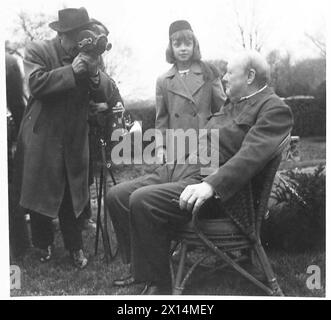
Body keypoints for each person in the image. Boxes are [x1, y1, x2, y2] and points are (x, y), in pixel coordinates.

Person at [107, 50, 293, 294]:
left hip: (212, 188)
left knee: (142, 200)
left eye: (229, 72)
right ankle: (142, 268)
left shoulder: (273, 108)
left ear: (250, 76)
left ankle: (158, 284)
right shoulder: (233, 104)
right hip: (183, 167)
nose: (224, 77)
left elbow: (251, 156)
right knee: (117, 195)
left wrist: (212, 185)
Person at [16, 7, 115, 269]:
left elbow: (106, 91)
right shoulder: (38, 50)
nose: (80, 41)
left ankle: (75, 248)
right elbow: (36, 85)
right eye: (75, 36)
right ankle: (43, 244)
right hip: (43, 135)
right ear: (62, 35)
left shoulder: (89, 53)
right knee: (42, 194)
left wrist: (93, 72)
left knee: (71, 196)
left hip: (73, 135)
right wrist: (71, 71)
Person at [155, 20, 226, 163]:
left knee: (206, 182)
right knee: (178, 184)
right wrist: (160, 147)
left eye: (188, 44)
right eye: (177, 44)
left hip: (206, 143)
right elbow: (161, 119)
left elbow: (223, 110)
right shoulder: (163, 80)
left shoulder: (208, 72)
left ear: (195, 45)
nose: (183, 49)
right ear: (171, 48)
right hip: (177, 146)